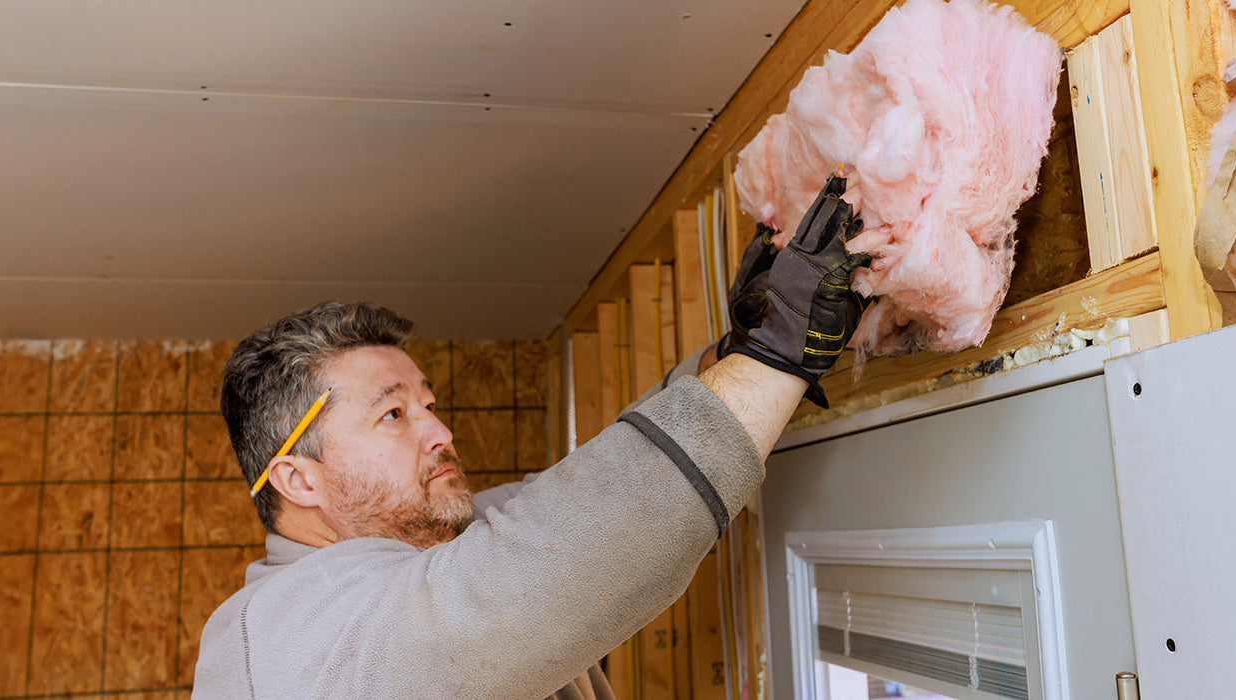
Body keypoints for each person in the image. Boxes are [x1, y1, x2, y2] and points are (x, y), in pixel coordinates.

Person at [192, 176, 871, 699]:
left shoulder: (428, 545)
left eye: (428, 403)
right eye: (393, 415)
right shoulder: (276, 638)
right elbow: (531, 576)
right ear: (297, 479)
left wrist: (736, 354)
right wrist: (778, 355)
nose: (440, 429)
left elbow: (579, 504)